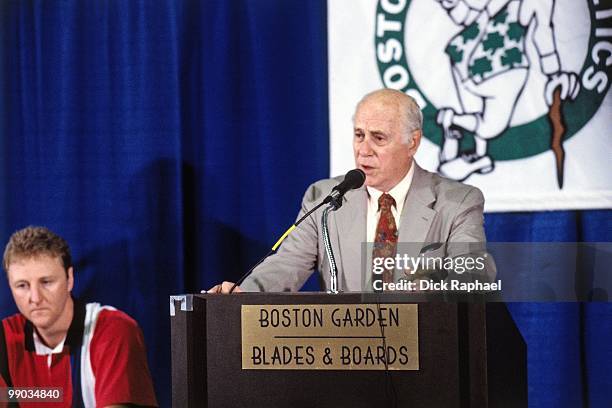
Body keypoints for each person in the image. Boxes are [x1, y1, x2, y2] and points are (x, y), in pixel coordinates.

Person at [209, 88, 494, 294]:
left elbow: (475, 274)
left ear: (413, 143)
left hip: (427, 353)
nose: (363, 150)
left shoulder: (456, 202)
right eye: (359, 135)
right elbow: (286, 264)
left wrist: (429, 283)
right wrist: (243, 297)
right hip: (349, 356)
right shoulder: (325, 198)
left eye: (378, 138)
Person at [0, 226, 158, 408]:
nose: (35, 298)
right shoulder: (5, 339)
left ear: (70, 279)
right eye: (22, 285)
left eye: (46, 282)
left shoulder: (113, 331)